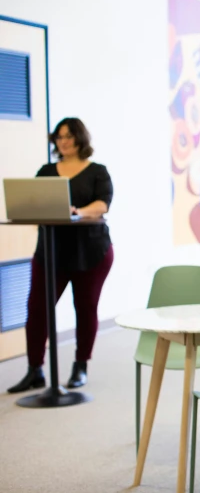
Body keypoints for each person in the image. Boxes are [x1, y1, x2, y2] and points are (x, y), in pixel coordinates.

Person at [7, 117, 114, 393]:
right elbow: (34, 201)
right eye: (59, 136)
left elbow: (102, 204)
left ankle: (81, 366)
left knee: (85, 307)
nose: (63, 141)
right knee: (37, 309)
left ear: (80, 139)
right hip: (51, 251)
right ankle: (35, 370)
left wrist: (77, 211)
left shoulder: (97, 171)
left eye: (69, 136)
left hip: (90, 251)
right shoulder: (45, 171)